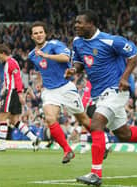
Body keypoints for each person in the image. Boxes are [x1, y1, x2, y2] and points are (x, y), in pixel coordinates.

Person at [64, 9, 137, 186]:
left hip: (116, 89)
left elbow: (133, 55)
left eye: (80, 23)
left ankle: (95, 174)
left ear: (91, 23)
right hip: (98, 94)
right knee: (123, 134)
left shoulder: (110, 40)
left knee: (96, 123)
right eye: (75, 23)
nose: (76, 26)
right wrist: (74, 70)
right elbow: (80, 62)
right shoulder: (77, 42)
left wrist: (125, 78)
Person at [28, 21, 92, 164]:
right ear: (32, 36)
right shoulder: (32, 55)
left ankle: (102, 141)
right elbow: (40, 69)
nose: (38, 35)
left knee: (83, 119)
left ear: (45, 33)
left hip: (65, 87)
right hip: (50, 91)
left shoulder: (54, 45)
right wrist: (39, 82)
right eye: (35, 33)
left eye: (40, 32)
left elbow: (65, 57)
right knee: (50, 119)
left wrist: (46, 55)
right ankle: (67, 150)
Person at [0, 44, 40, 152]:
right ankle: (34, 138)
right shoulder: (9, 63)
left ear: (3, 53)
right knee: (14, 120)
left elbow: (18, 78)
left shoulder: (11, 63)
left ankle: (2, 144)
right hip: (12, 92)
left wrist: (20, 94)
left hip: (11, 93)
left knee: (2, 117)